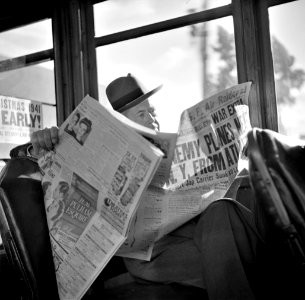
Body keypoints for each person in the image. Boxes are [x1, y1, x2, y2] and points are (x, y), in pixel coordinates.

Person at [28, 74, 302, 300]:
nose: (152, 120)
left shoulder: (171, 149)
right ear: (122, 121)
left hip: (200, 228)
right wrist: (40, 145)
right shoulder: (103, 152)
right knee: (243, 243)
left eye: (153, 113)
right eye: (142, 114)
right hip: (151, 251)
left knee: (229, 207)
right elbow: (42, 165)